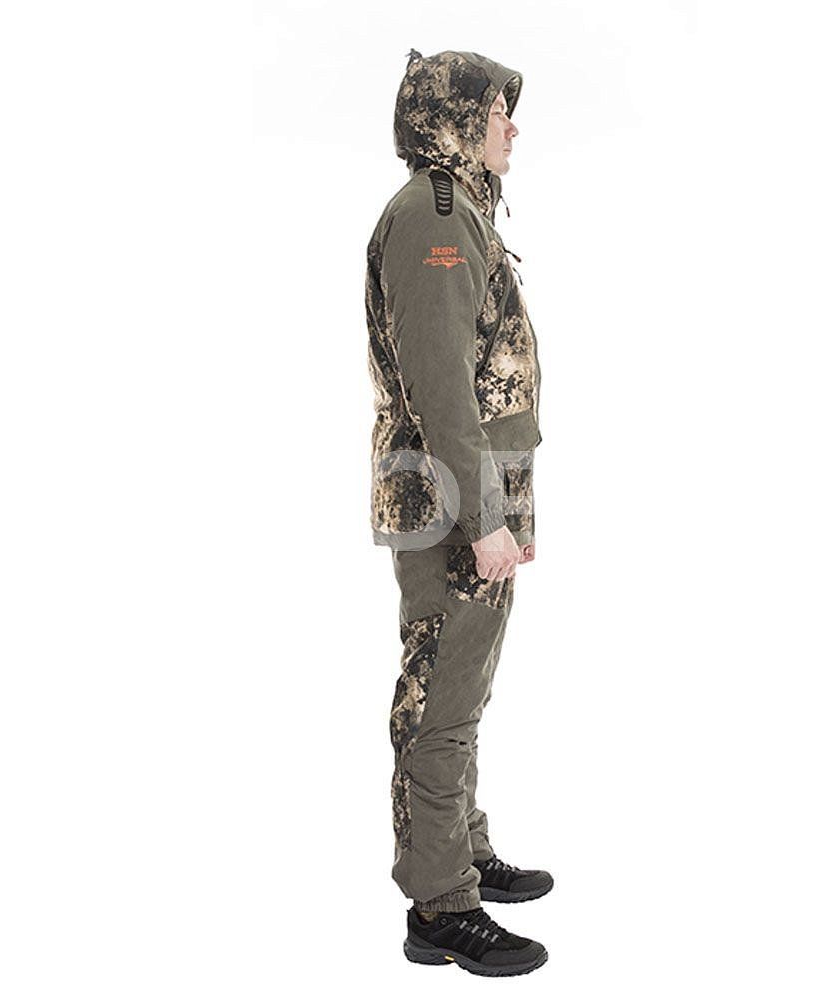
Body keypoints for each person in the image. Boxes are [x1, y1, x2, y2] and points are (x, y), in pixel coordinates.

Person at [364, 48, 551, 977]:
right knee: (439, 690)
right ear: (456, 122)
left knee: (461, 684)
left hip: (472, 494)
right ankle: (440, 903)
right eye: (497, 112)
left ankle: (462, 848)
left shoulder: (461, 208)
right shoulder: (433, 216)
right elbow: (440, 384)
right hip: (451, 503)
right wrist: (483, 518)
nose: (513, 127)